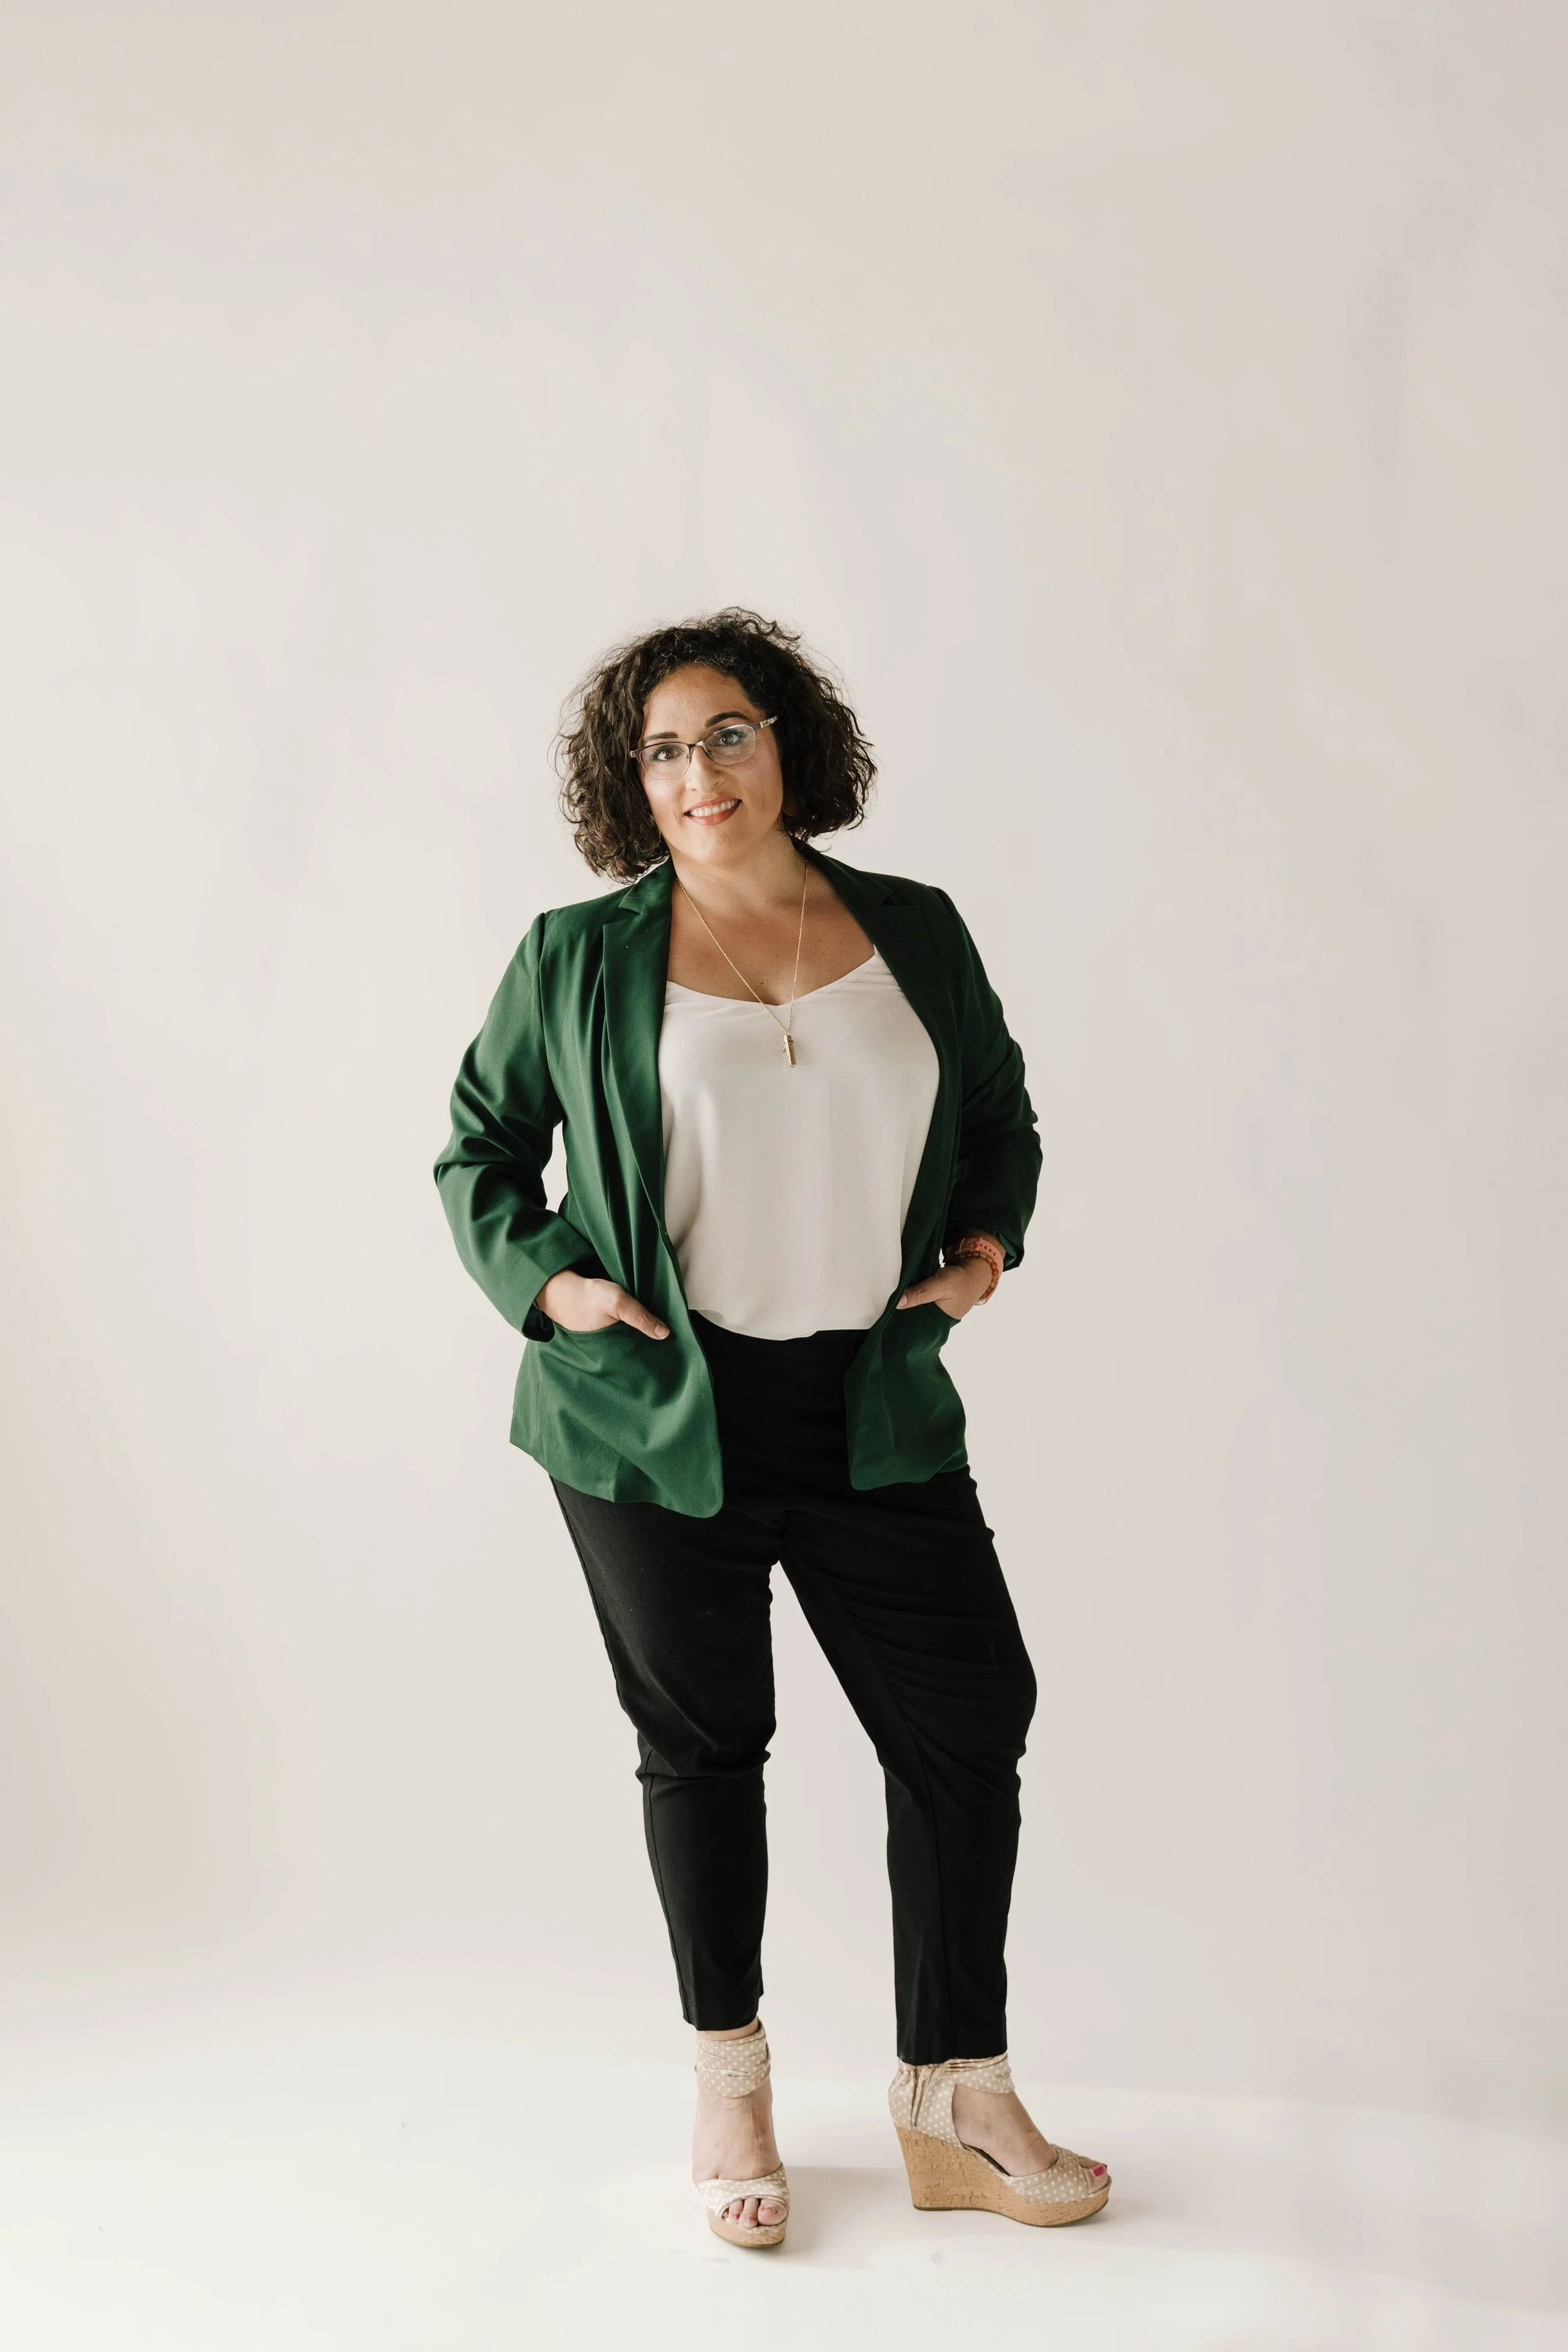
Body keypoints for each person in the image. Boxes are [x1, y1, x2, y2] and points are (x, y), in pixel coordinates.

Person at [433, 609, 1110, 2248]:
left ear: (786, 739)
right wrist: (553, 1288)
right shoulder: (576, 957)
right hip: (659, 1413)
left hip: (870, 1403)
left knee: (966, 1716)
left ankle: (954, 2088)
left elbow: (997, 1115)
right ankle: (726, 2079)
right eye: (660, 749)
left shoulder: (911, 932)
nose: (697, 771)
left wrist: (982, 1249)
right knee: (709, 1743)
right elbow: (478, 1148)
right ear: (627, 781)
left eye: (725, 732)